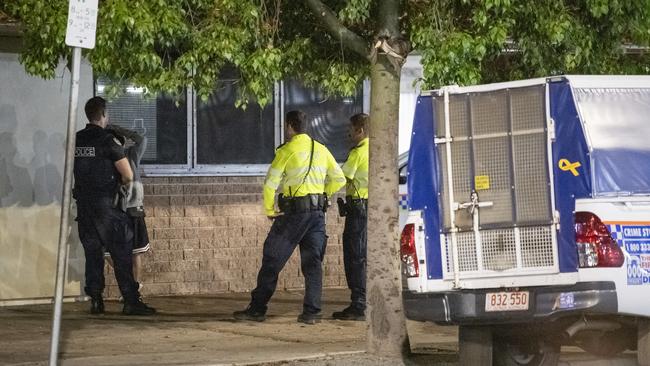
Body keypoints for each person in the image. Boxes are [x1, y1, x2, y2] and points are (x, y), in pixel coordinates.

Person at [234, 110, 346, 325]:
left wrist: (269, 210)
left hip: (293, 215)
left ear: (289, 126)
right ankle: (312, 312)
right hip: (317, 215)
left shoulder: (286, 150)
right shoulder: (322, 149)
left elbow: (270, 183)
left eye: (286, 126)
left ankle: (257, 309)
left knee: (272, 258)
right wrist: (324, 194)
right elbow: (339, 178)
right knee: (313, 263)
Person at [73, 96, 155, 316]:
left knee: (93, 255)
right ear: (104, 115)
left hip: (84, 208)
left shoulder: (77, 140)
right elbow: (128, 175)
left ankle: (96, 301)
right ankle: (130, 301)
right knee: (121, 255)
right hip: (107, 209)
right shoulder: (107, 141)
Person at [104, 124, 150, 296]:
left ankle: (135, 288)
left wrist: (115, 128)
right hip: (115, 210)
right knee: (108, 251)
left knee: (136, 251)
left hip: (133, 209)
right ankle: (129, 283)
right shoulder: (106, 158)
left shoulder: (130, 154)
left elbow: (142, 139)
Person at [332, 113, 369, 321]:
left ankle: (359, 304)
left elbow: (341, 177)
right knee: (366, 257)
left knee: (355, 257)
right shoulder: (378, 148)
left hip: (359, 210)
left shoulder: (359, 152)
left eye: (351, 128)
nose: (349, 132)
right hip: (373, 209)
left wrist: (323, 190)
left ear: (360, 130)